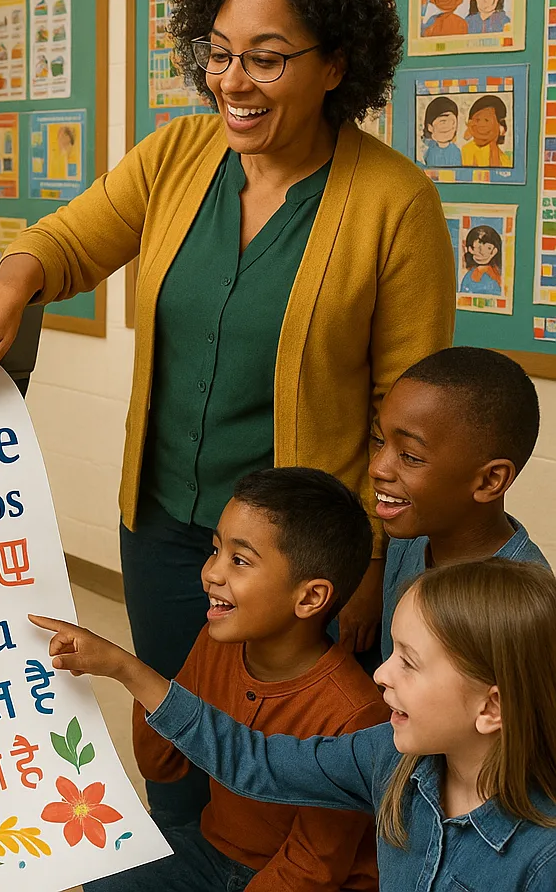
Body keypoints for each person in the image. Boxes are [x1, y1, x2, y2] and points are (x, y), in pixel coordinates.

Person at [0, 0, 455, 824]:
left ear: (337, 64)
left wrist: (372, 559)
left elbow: (410, 422)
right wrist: (12, 283)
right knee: (171, 734)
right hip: (168, 528)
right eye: (218, 53)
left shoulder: (394, 203)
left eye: (266, 57)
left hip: (304, 557)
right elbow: (67, 238)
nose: (232, 81)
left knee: (287, 772)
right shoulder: (177, 157)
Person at [31, 557, 556, 892]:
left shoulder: (542, 859)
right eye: (391, 651)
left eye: (409, 663)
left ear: (491, 709)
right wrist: (126, 669)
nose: (380, 673)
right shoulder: (390, 756)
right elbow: (253, 761)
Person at [85, 468, 388, 892]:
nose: (211, 572)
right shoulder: (218, 642)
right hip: (211, 851)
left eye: (239, 560)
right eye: (215, 549)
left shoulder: (356, 714)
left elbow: (312, 869)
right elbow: (161, 765)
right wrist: (135, 678)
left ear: (311, 597)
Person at [371, 347, 551, 660]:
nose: (377, 468)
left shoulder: (522, 609)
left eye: (410, 457)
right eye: (378, 439)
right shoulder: (409, 540)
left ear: (489, 480)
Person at [461, 95, 511, 168]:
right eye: (477, 120)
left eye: (486, 120)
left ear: (501, 127)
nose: (481, 125)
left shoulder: (504, 160)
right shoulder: (466, 151)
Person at [458, 225, 502, 295]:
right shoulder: (469, 276)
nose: (482, 252)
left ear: (494, 251)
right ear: (470, 249)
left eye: (488, 248)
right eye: (477, 248)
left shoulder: (497, 274)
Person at [419, 96, 461, 167]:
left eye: (452, 122)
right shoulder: (428, 151)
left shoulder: (456, 151)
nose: (448, 126)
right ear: (430, 127)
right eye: (443, 121)